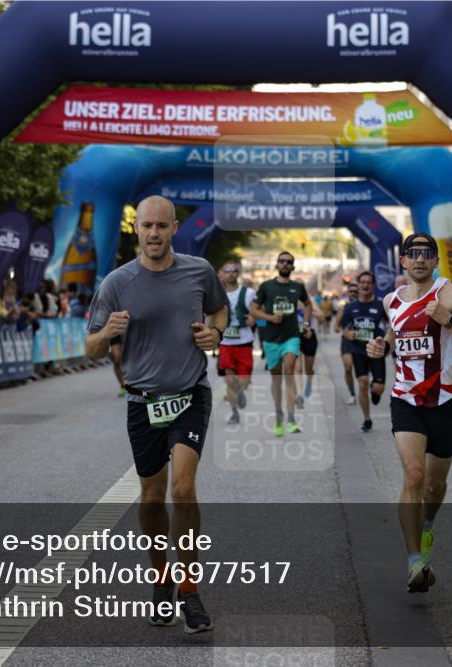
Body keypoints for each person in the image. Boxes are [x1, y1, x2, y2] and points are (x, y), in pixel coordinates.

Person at [85, 195, 227, 634]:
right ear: (136, 230)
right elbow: (89, 347)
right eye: (146, 226)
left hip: (189, 394)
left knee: (183, 488)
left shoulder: (198, 271)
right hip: (143, 402)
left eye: (161, 226)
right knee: (151, 499)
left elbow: (220, 308)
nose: (153, 234)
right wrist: (107, 332)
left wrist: (215, 331)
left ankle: (189, 588)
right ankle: (161, 577)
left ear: (174, 228)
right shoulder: (116, 282)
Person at [366, 232, 452, 593]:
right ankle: (414, 561)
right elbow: (396, 329)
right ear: (402, 262)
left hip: (446, 402)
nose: (419, 259)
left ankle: (428, 525)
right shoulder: (392, 300)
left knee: (434, 485)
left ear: (435, 261)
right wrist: (382, 345)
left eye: (426, 254)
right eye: (412, 254)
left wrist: (448, 321)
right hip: (405, 400)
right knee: (413, 475)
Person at [250, 251, 313, 437]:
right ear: (277, 265)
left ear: (293, 267)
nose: (285, 264)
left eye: (289, 262)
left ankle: (291, 419)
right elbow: (253, 310)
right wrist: (269, 317)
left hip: (291, 336)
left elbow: (308, 305)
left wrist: (306, 324)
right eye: (282, 261)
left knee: (290, 369)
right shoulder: (266, 287)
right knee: (276, 379)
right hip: (271, 340)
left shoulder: (298, 287)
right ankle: (279, 416)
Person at [339, 270, 387, 433]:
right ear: (358, 285)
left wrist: (386, 341)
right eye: (362, 282)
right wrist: (348, 334)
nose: (365, 285)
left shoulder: (381, 305)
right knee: (362, 383)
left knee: (378, 388)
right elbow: (344, 328)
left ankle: (376, 390)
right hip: (358, 350)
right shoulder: (350, 307)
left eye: (368, 282)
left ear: (373, 285)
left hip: (376, 351)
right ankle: (367, 419)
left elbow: (392, 327)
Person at [216, 259, 255, 424]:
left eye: (234, 270)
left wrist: (253, 319)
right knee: (230, 380)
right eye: (227, 270)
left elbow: (258, 312)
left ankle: (240, 393)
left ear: (237, 273)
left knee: (243, 382)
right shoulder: (217, 294)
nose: (231, 272)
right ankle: (234, 413)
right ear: (222, 273)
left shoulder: (249, 293)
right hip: (226, 344)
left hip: (244, 343)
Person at [333, 282, 359, 405]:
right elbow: (336, 326)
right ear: (348, 293)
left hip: (363, 342)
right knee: (348, 368)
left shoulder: (364, 305)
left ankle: (366, 386)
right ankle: (352, 393)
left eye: (356, 291)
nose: (353, 293)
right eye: (351, 291)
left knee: (363, 370)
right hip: (347, 341)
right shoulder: (344, 307)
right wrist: (341, 329)